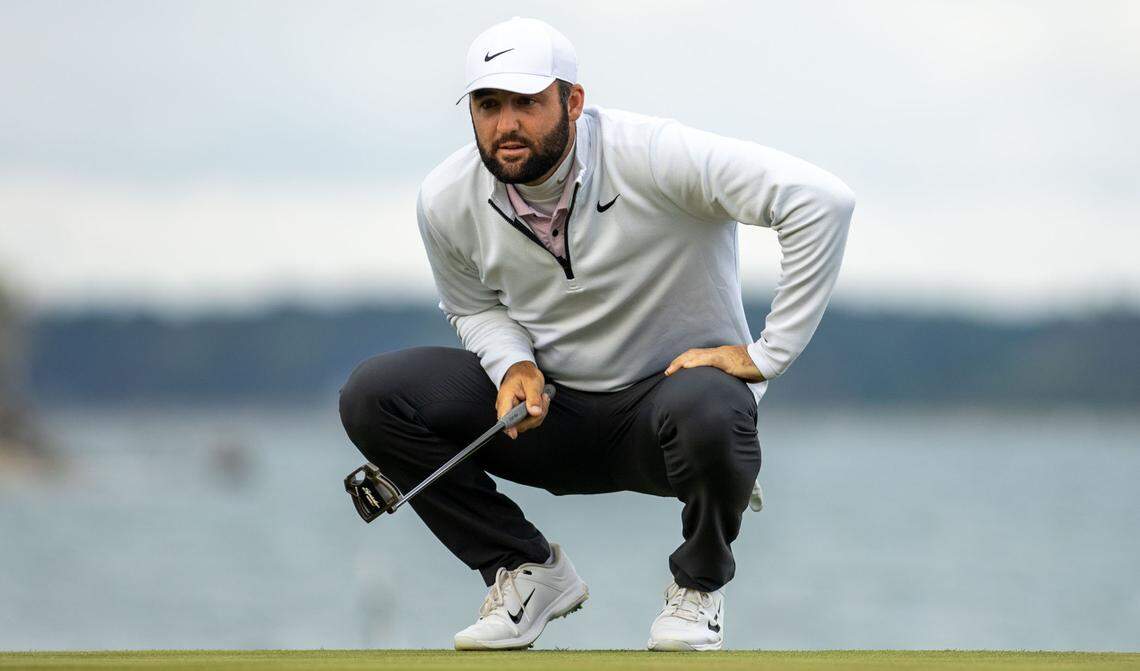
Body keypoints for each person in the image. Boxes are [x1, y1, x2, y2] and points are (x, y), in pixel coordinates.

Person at [339, 16, 855, 651]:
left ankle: (698, 588)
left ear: (573, 102)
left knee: (713, 401)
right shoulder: (445, 198)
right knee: (374, 394)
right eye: (488, 104)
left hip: (667, 417)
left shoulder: (654, 153)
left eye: (527, 103)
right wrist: (510, 365)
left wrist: (768, 355)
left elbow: (821, 201)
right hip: (545, 416)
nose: (506, 125)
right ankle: (524, 572)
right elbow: (471, 306)